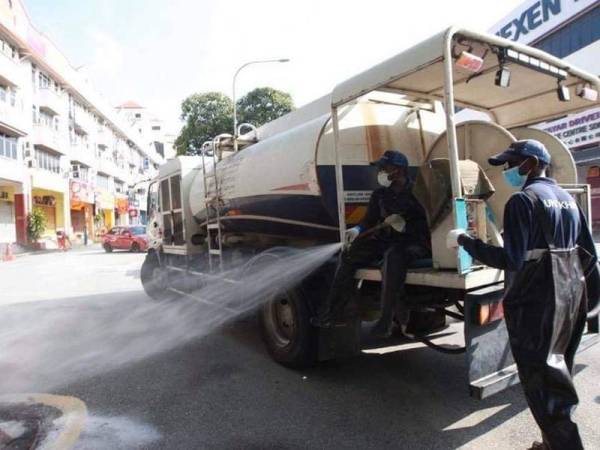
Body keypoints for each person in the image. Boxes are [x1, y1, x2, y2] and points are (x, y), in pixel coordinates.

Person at [447, 139, 597, 450]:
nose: (507, 171)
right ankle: (551, 443)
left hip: (538, 299)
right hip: (571, 294)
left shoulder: (523, 201)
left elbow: (511, 260)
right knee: (559, 374)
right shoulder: (568, 198)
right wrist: (583, 296)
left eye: (510, 164)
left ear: (529, 163)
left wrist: (465, 241)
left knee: (543, 383)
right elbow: (589, 255)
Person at [311, 150, 431, 337]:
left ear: (398, 170)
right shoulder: (380, 194)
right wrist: (357, 230)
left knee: (393, 257)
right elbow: (369, 221)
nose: (381, 172)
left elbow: (431, 221)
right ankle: (332, 313)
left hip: (412, 243)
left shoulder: (418, 192)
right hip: (386, 240)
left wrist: (407, 227)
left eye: (384, 167)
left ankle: (386, 320)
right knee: (349, 254)